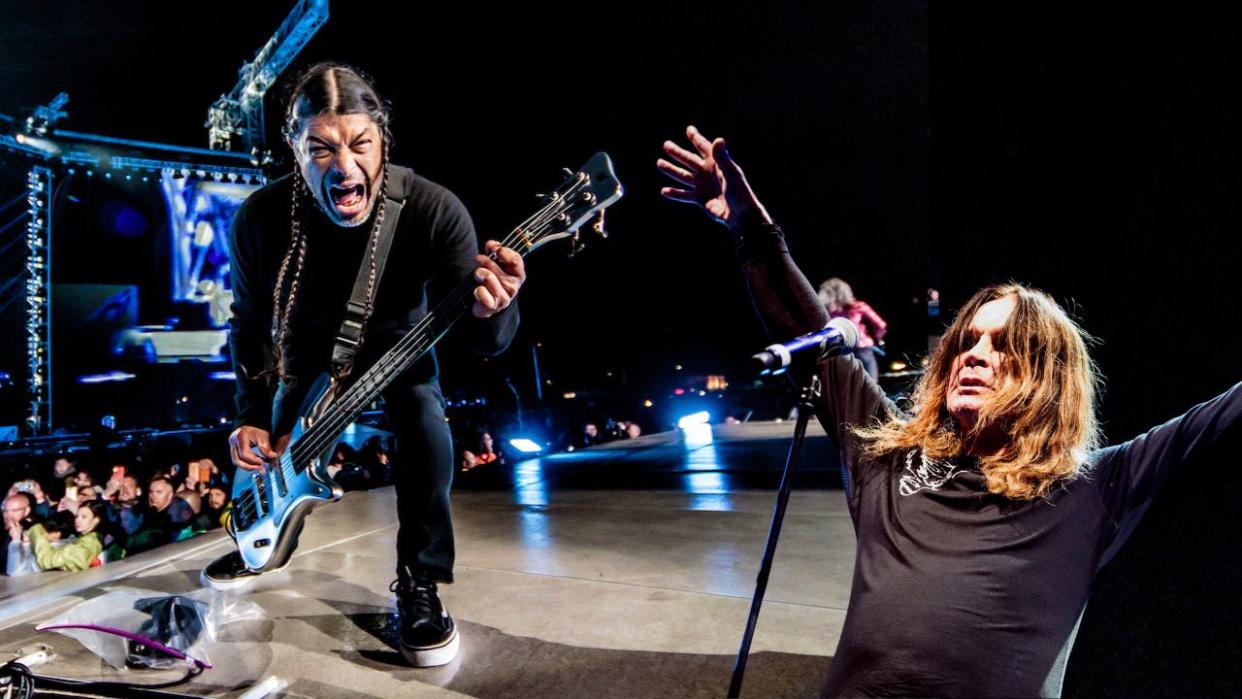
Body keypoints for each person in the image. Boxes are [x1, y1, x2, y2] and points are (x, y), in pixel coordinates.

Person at [658, 125, 1242, 697]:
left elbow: (1223, 420)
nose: (974, 355)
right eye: (967, 341)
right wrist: (751, 228)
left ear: (1049, 379)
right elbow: (810, 333)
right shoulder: (887, 458)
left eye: (1004, 345)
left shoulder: (1092, 489)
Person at [204, 63, 524, 669]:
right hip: (302, 363)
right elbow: (247, 324)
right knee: (273, 452)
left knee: (423, 415)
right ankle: (258, 542)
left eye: (360, 145)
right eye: (321, 149)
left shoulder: (434, 209)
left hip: (398, 354)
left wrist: (499, 308)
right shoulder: (259, 218)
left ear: (384, 141)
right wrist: (248, 416)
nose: (343, 167)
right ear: (294, 148)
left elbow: (490, 342)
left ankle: (420, 583)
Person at [818, 277, 887, 380]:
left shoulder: (826, 312)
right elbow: (881, 325)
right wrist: (876, 339)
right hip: (862, 349)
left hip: (839, 353)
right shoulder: (858, 306)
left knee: (848, 389)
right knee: (870, 387)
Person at [27, 501, 117, 572]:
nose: (77, 520)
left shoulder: (89, 543)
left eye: (84, 517)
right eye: (76, 516)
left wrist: (36, 531)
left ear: (96, 520)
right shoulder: (87, 539)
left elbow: (46, 561)